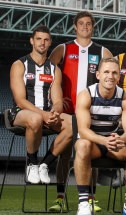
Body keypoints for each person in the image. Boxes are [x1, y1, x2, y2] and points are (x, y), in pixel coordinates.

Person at [48, 11, 113, 212]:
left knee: (89, 155)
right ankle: (60, 198)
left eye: (89, 24)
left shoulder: (103, 52)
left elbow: (111, 79)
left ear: (93, 27)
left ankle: (91, 198)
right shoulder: (63, 49)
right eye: (81, 24)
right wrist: (57, 100)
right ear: (75, 27)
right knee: (65, 155)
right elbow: (49, 75)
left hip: (92, 113)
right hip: (68, 112)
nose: (85, 27)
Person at [74, 57, 126, 215]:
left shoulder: (125, 97)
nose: (110, 76)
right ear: (98, 74)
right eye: (106, 72)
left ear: (119, 77)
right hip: (93, 143)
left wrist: (120, 140)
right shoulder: (86, 94)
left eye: (114, 73)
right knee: (82, 145)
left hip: (114, 143)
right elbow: (83, 131)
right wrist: (104, 140)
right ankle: (84, 202)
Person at [9, 25, 72, 185]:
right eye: (38, 39)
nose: (42, 43)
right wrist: (43, 115)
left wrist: (54, 113)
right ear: (32, 41)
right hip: (21, 112)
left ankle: (44, 164)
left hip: (45, 113)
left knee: (73, 124)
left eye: (46, 40)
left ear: (50, 42)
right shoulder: (19, 64)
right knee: (35, 118)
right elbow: (20, 100)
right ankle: (31, 162)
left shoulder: (54, 69)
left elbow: (58, 101)